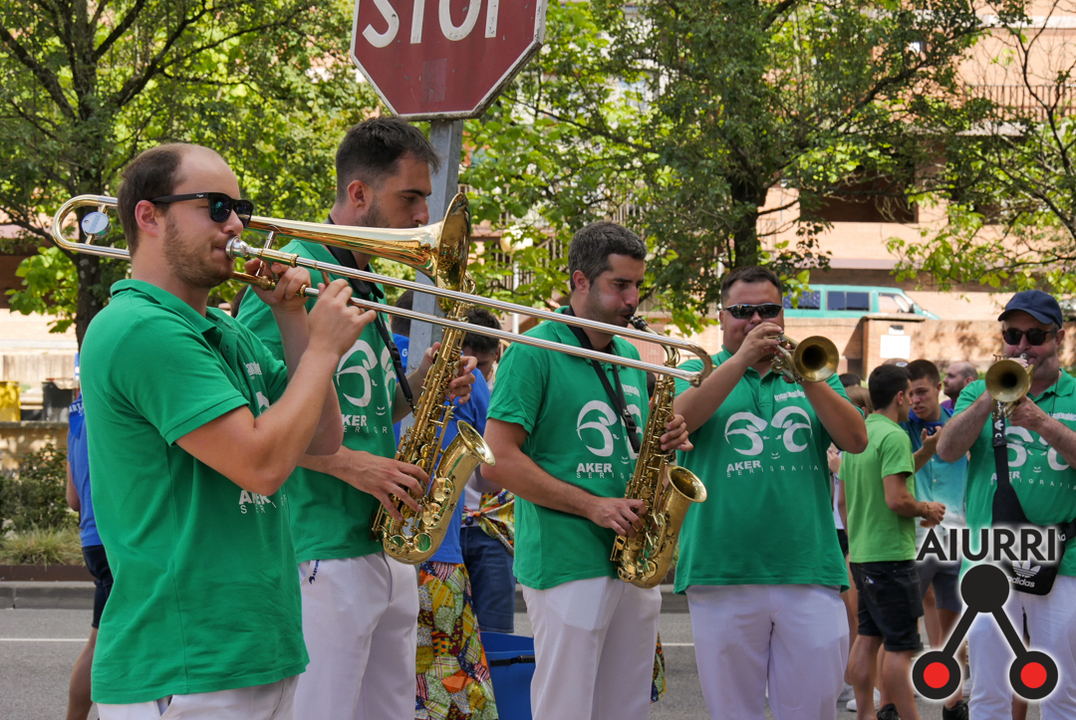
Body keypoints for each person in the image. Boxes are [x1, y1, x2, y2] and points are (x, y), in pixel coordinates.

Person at [80, 142, 373, 718]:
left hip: (255, 651)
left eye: (240, 208)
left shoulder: (223, 328)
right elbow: (261, 467)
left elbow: (321, 440)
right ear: (149, 216)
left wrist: (292, 317)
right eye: (216, 207)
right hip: (188, 660)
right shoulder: (141, 327)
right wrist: (323, 349)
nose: (237, 224)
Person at [236, 117, 476, 720]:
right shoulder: (290, 274)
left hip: (380, 541)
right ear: (360, 193)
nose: (423, 217)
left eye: (426, 200)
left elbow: (366, 409)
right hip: (319, 542)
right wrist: (352, 466)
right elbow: (255, 422)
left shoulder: (363, 281)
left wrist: (423, 385)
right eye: (411, 198)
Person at [483, 221, 691, 720]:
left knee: (627, 708)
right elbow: (497, 460)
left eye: (637, 285)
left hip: (632, 557)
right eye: (620, 285)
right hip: (567, 560)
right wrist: (593, 505)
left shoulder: (629, 354)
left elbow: (630, 452)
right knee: (566, 708)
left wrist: (665, 441)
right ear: (581, 280)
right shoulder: (534, 350)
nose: (633, 299)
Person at [671, 265, 868, 720]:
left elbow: (856, 440)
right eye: (742, 311)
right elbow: (675, 419)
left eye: (768, 309)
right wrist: (740, 360)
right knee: (733, 713)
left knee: (813, 712)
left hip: (809, 570)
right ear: (721, 316)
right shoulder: (695, 369)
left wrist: (807, 376)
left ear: (783, 316)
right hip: (720, 570)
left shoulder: (815, 374)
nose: (756, 319)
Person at [937, 290, 1076, 720]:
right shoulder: (976, 392)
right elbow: (947, 450)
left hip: (1064, 560)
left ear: (1059, 338)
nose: (1023, 346)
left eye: (1036, 336)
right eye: (1013, 335)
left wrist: (1041, 422)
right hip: (990, 559)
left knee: (1062, 692)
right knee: (988, 692)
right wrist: (991, 394)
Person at [842, 364, 946, 720]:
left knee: (867, 638)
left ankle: (865, 714)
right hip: (891, 557)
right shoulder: (895, 436)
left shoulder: (860, 434)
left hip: (862, 554)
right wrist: (926, 508)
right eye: (910, 394)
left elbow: (854, 494)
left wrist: (926, 451)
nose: (912, 402)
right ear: (900, 396)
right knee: (900, 648)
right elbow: (896, 499)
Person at [902, 359, 969, 719]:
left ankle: (953, 704)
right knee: (899, 630)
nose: (915, 400)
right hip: (915, 540)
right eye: (910, 393)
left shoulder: (960, 426)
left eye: (922, 392)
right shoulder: (902, 427)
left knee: (953, 627)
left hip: (956, 537)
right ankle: (892, 705)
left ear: (938, 388)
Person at [457, 308, 516, 636]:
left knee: (496, 634)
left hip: (493, 529)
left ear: (496, 355)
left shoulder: (508, 395)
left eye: (480, 365)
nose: (473, 373)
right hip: (448, 527)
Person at [64, 388, 109, 720]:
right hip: (121, 538)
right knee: (110, 644)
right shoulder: (120, 389)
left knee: (99, 641)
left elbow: (73, 499)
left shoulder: (76, 411)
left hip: (93, 538)